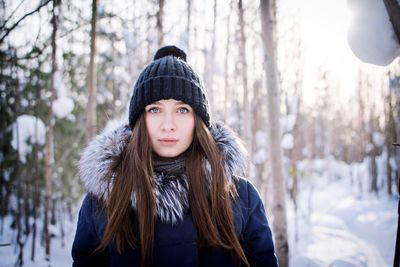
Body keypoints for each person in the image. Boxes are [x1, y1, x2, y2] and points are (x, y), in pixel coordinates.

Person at [71, 45, 279, 267]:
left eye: (182, 110)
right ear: (139, 120)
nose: (168, 125)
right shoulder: (103, 201)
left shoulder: (241, 197)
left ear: (198, 121)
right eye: (155, 110)